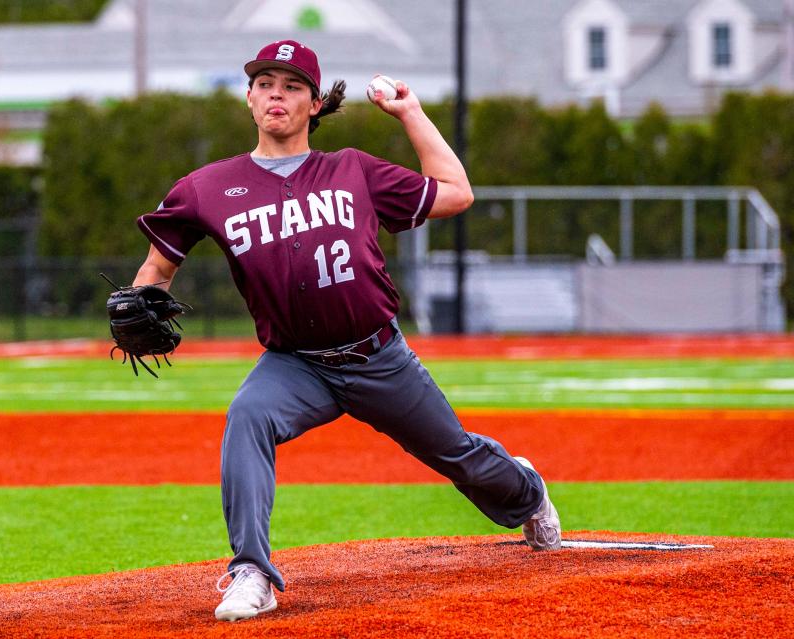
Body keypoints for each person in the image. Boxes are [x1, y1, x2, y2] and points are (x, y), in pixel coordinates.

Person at [130, 39, 561, 622]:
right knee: (247, 417)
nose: (275, 94)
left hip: (378, 356)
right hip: (295, 364)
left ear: (314, 104)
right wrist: (139, 302)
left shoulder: (351, 170)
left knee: (457, 456)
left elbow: (457, 193)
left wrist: (410, 112)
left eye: (291, 86)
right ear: (249, 98)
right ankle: (251, 569)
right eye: (264, 84)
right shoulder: (208, 187)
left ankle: (526, 491)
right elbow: (157, 270)